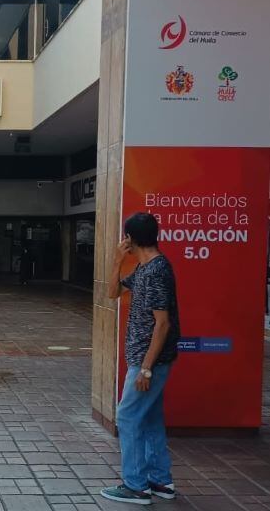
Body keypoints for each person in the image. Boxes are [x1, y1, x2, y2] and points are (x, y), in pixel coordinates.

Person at [101, 212, 181, 505]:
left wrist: (146, 369)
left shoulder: (156, 271)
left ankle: (135, 486)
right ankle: (160, 481)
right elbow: (113, 293)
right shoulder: (145, 267)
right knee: (150, 417)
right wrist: (116, 262)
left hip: (149, 362)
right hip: (146, 358)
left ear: (130, 239)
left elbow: (163, 324)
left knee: (127, 416)